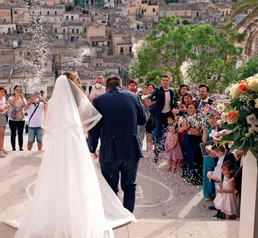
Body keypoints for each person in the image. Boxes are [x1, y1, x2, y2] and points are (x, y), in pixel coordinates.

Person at [14, 74, 135, 238]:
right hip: (75, 140)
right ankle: (79, 217)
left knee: (57, 176)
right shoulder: (78, 102)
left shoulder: (55, 103)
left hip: (59, 144)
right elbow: (88, 123)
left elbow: (47, 127)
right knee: (79, 176)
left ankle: (59, 215)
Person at [89, 76, 147, 213]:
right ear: (122, 86)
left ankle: (114, 215)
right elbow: (143, 120)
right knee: (129, 185)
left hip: (109, 149)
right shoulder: (133, 97)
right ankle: (127, 214)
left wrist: (92, 148)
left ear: (106, 89)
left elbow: (94, 129)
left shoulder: (99, 100)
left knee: (110, 187)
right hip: (131, 149)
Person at [147, 74, 175, 163]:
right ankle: (156, 154)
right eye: (163, 80)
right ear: (161, 81)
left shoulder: (171, 91)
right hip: (159, 115)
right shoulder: (158, 89)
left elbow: (172, 102)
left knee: (169, 133)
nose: (165, 82)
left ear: (169, 82)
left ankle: (169, 155)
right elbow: (152, 95)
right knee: (158, 134)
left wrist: (174, 112)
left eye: (167, 80)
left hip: (168, 115)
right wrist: (150, 97)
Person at [179, 100, 205, 185]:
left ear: (196, 109)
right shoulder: (184, 117)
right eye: (189, 107)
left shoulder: (199, 117)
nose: (190, 109)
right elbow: (180, 129)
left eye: (192, 108)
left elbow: (198, 132)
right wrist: (185, 129)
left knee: (196, 158)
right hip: (187, 139)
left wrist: (188, 129)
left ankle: (196, 178)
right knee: (187, 156)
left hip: (195, 140)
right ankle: (188, 176)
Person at [8, 85, 27, 151]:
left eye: (19, 90)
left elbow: (25, 106)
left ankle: (20, 147)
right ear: (14, 90)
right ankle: (13, 148)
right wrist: (16, 97)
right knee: (13, 134)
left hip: (21, 119)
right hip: (12, 119)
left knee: (20, 134)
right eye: (16, 90)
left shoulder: (23, 98)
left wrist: (21, 98)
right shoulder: (11, 98)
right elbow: (12, 104)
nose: (18, 91)